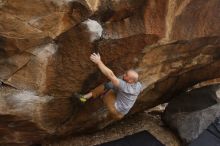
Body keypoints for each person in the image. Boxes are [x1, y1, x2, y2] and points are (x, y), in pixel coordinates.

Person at [75, 53, 142, 120]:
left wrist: (99, 62)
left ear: (130, 81)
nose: (124, 75)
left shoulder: (126, 87)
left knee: (108, 86)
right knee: (112, 85)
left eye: (126, 75)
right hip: (121, 114)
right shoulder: (138, 85)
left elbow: (110, 75)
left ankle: (84, 98)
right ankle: (104, 96)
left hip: (115, 110)